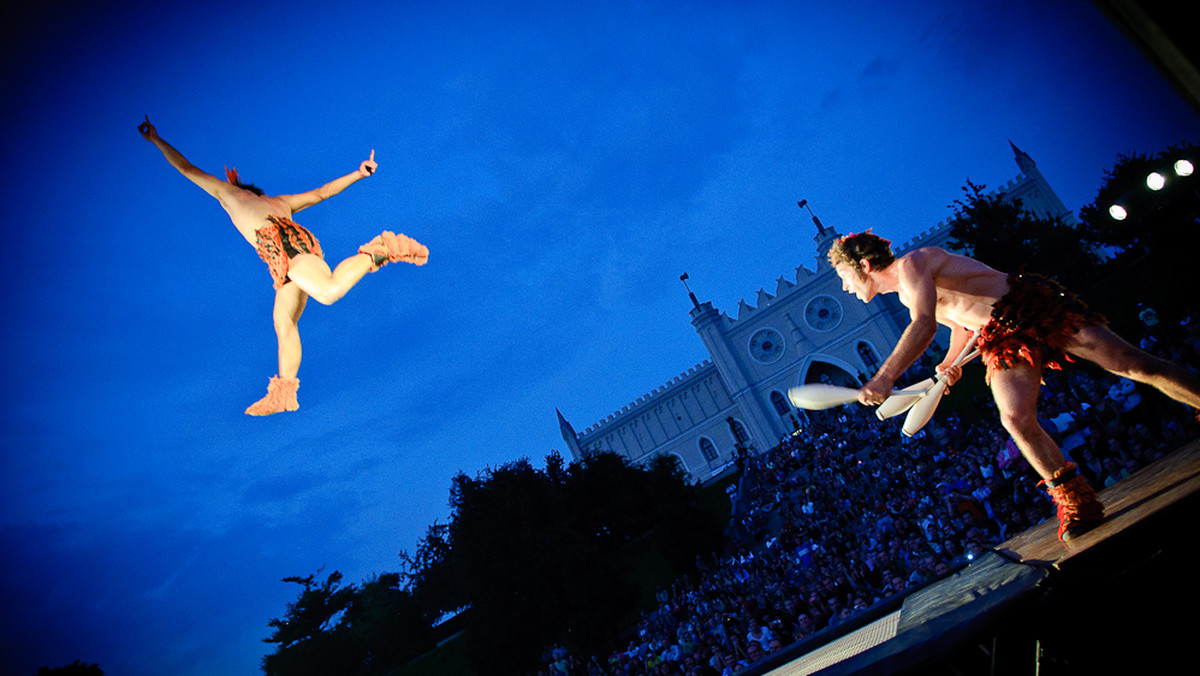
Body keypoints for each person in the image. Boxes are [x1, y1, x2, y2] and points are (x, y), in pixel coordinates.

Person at [828, 231, 1200, 541]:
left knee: (1133, 364)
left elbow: (924, 324)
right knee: (1016, 418)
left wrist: (884, 377)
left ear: (864, 265)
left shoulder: (914, 263)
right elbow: (961, 323)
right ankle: (1077, 502)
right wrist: (949, 362)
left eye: (844, 276)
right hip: (999, 336)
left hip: (1027, 306)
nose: (844, 287)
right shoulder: (906, 294)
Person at [138, 116, 428, 415]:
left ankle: (380, 250)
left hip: (285, 247)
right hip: (285, 258)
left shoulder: (228, 194)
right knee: (283, 321)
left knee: (328, 293)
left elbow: (186, 168)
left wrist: (157, 140)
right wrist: (357, 174)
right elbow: (321, 193)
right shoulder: (279, 201)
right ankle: (284, 391)